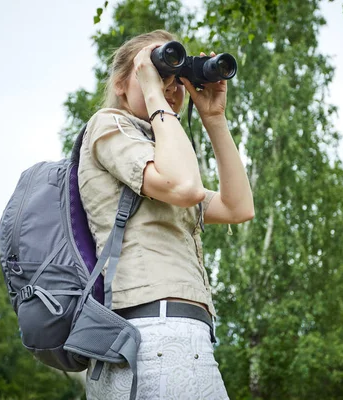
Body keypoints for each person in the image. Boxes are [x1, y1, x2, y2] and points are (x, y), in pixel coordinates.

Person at [78, 29, 254, 400]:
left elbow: (238, 207)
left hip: (180, 334)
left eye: (174, 78)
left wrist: (214, 119)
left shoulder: (163, 153)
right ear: (121, 84)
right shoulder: (110, 125)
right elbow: (185, 188)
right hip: (152, 332)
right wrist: (156, 93)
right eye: (154, 72)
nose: (168, 86)